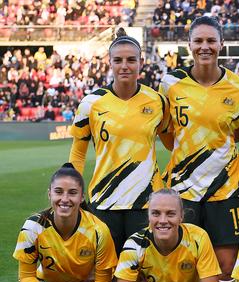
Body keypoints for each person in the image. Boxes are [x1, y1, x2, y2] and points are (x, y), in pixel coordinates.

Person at [158, 16, 239, 282]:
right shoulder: (172, 86)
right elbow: (167, 134)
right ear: (189, 45)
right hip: (182, 192)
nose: (205, 47)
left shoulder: (238, 88)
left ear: (220, 45)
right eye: (198, 41)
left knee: (226, 269)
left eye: (211, 41)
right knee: (185, 271)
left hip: (227, 191)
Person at [69, 28, 170, 254]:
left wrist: (165, 180)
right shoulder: (91, 103)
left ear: (141, 62)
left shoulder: (158, 102)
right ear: (110, 63)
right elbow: (77, 152)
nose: (125, 66)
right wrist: (74, 190)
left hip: (146, 203)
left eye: (131, 60)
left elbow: (173, 141)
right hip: (104, 201)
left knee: (147, 278)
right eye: (119, 60)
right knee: (107, 278)